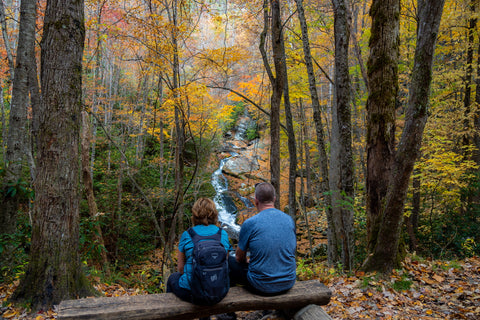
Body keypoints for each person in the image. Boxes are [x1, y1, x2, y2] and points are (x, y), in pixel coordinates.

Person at [229, 182, 296, 295]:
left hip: (261, 285)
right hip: (288, 281)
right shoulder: (289, 220)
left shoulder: (250, 223)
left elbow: (239, 258)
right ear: (274, 199)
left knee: (228, 261)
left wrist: (250, 260)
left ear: (256, 201)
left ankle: (229, 307)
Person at [167, 197, 232, 303]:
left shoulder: (188, 234)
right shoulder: (222, 234)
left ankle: (170, 313)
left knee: (172, 278)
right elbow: (225, 262)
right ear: (214, 214)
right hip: (219, 292)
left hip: (192, 293)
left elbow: (180, 268)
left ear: (195, 215)